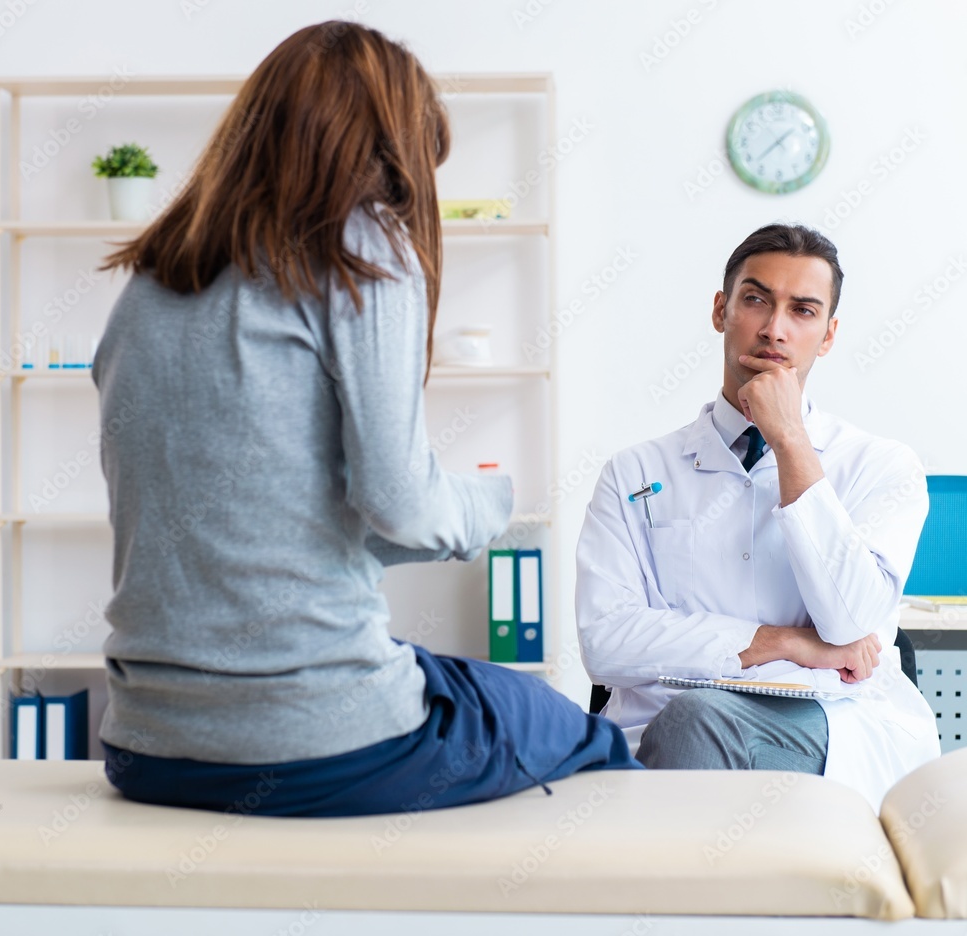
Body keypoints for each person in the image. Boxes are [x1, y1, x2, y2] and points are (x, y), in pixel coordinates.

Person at [92, 22, 639, 818]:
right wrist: (490, 505)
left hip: (146, 744)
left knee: (442, 677)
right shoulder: (362, 244)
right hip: (317, 744)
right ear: (388, 149)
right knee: (585, 734)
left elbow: (270, 517)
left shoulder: (152, 278)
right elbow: (402, 504)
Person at [575, 223, 940, 811]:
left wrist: (790, 440)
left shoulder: (883, 466)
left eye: (803, 310)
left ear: (827, 335)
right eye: (756, 300)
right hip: (657, 726)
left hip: (824, 722)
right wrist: (786, 642)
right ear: (721, 310)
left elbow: (850, 623)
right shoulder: (633, 472)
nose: (775, 328)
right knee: (677, 723)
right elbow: (606, 641)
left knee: (697, 724)